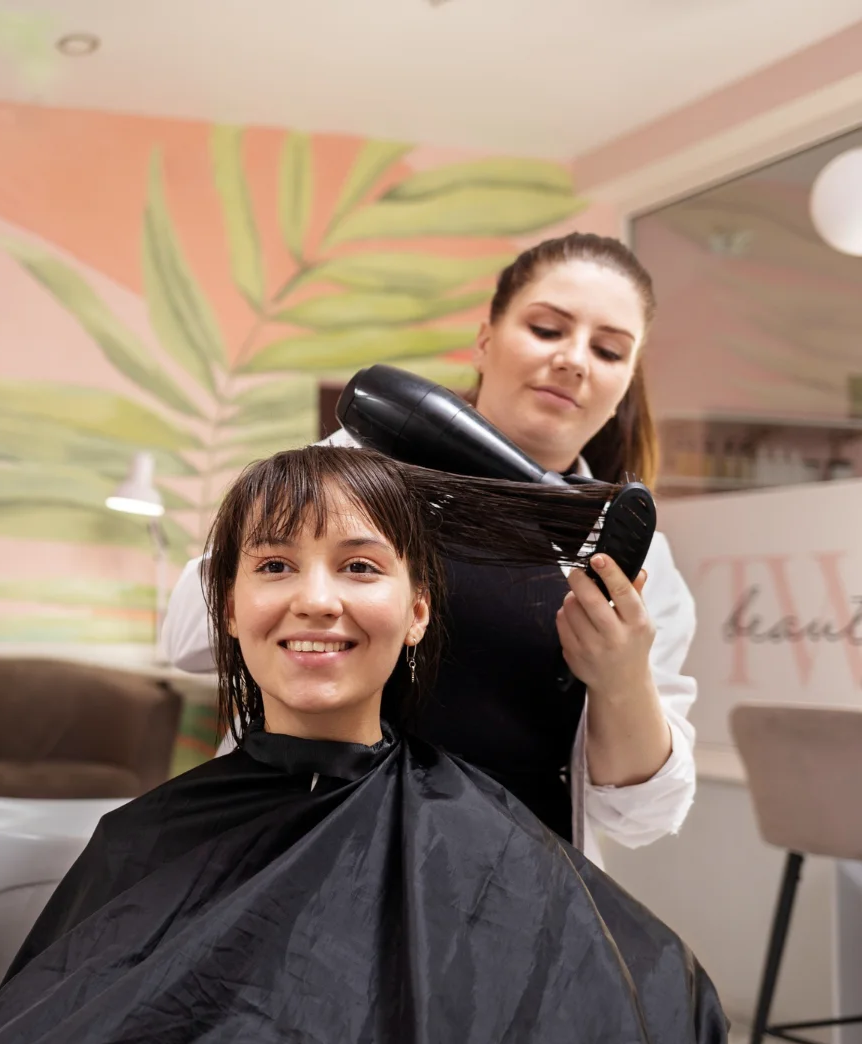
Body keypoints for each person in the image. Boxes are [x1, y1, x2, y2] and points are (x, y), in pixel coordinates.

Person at [0, 446, 727, 1044]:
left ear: (418, 609)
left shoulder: (485, 854)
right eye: (275, 565)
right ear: (229, 607)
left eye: (359, 565)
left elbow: (668, 1007)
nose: (316, 598)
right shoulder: (142, 841)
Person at [162, 232, 696, 860]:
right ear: (485, 339)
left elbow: (641, 816)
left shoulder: (635, 557)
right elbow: (187, 641)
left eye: (608, 350)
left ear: (625, 381)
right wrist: (344, 504)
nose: (574, 360)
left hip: (512, 887)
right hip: (305, 855)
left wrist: (621, 677)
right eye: (548, 330)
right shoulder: (355, 471)